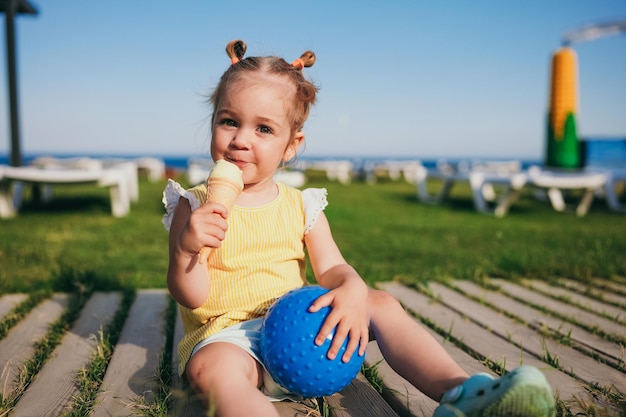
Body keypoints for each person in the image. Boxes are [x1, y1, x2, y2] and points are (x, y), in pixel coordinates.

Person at [162, 39, 555, 417]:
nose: (241, 140)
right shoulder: (194, 204)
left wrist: (351, 290)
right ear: (213, 123)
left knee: (381, 303)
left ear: (291, 145)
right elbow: (192, 296)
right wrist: (186, 250)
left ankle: (461, 392)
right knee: (213, 370)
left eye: (263, 129)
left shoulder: (301, 205)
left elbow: (333, 268)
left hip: (304, 330)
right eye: (229, 122)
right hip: (231, 338)